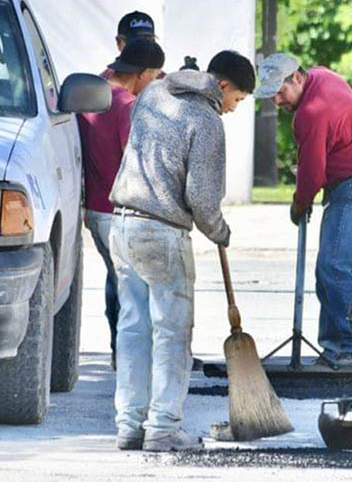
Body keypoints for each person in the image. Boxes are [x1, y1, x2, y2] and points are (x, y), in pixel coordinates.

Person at [108, 50, 255, 452]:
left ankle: (129, 425)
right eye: (237, 100)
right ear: (222, 86)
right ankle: (163, 429)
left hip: (121, 224)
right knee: (172, 333)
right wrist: (220, 231)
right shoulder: (206, 121)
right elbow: (202, 199)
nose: (233, 109)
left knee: (134, 330)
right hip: (161, 231)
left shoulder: (153, 95)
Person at [255, 53, 352, 367]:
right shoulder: (325, 76)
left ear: (298, 77)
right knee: (328, 269)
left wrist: (298, 204)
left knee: (336, 268)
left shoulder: (311, 114)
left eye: (279, 91)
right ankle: (336, 346)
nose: (276, 101)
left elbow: (312, 174)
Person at [77, 39, 165, 370]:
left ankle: (121, 353)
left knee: (118, 282)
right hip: (121, 213)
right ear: (142, 74)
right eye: (154, 76)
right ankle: (132, 361)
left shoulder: (92, 97)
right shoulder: (128, 106)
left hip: (95, 211)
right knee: (134, 296)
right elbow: (136, 162)